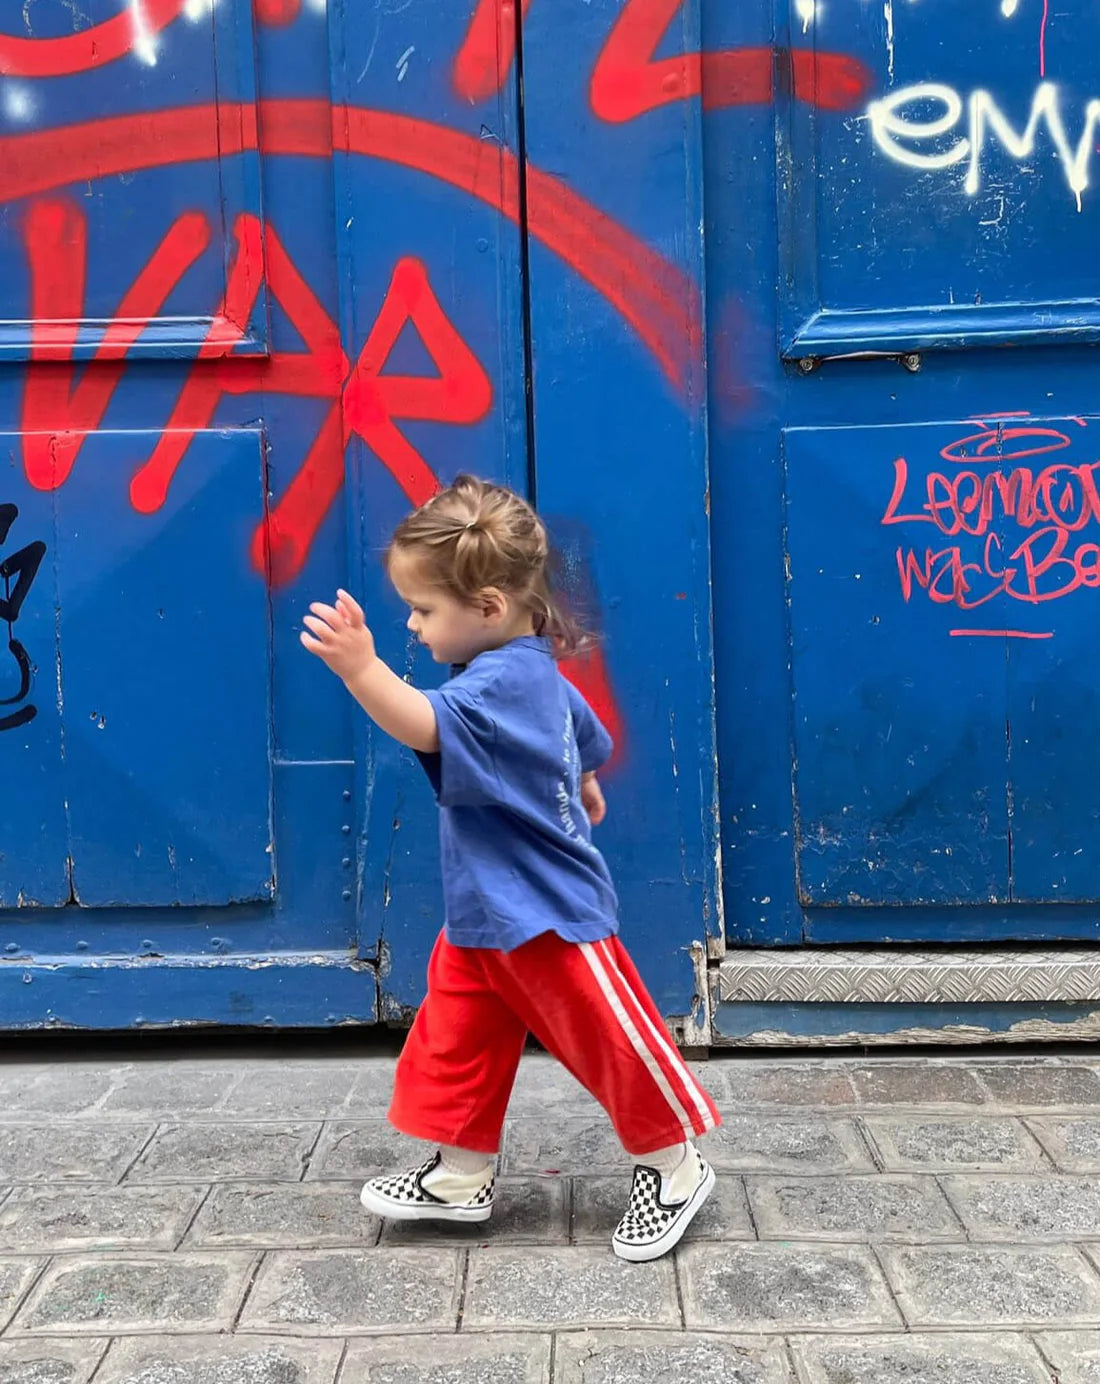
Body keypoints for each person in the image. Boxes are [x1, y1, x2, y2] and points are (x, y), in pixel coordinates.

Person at [300, 474, 720, 1261]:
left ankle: (674, 1163)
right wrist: (582, 780)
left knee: (608, 1037)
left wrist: (360, 670)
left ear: (488, 608)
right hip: (486, 912)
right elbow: (578, 734)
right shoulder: (527, 668)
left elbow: (424, 724)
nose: (413, 626)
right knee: (454, 1039)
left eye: (424, 611)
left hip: (545, 910)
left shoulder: (494, 684)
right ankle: (460, 1175)